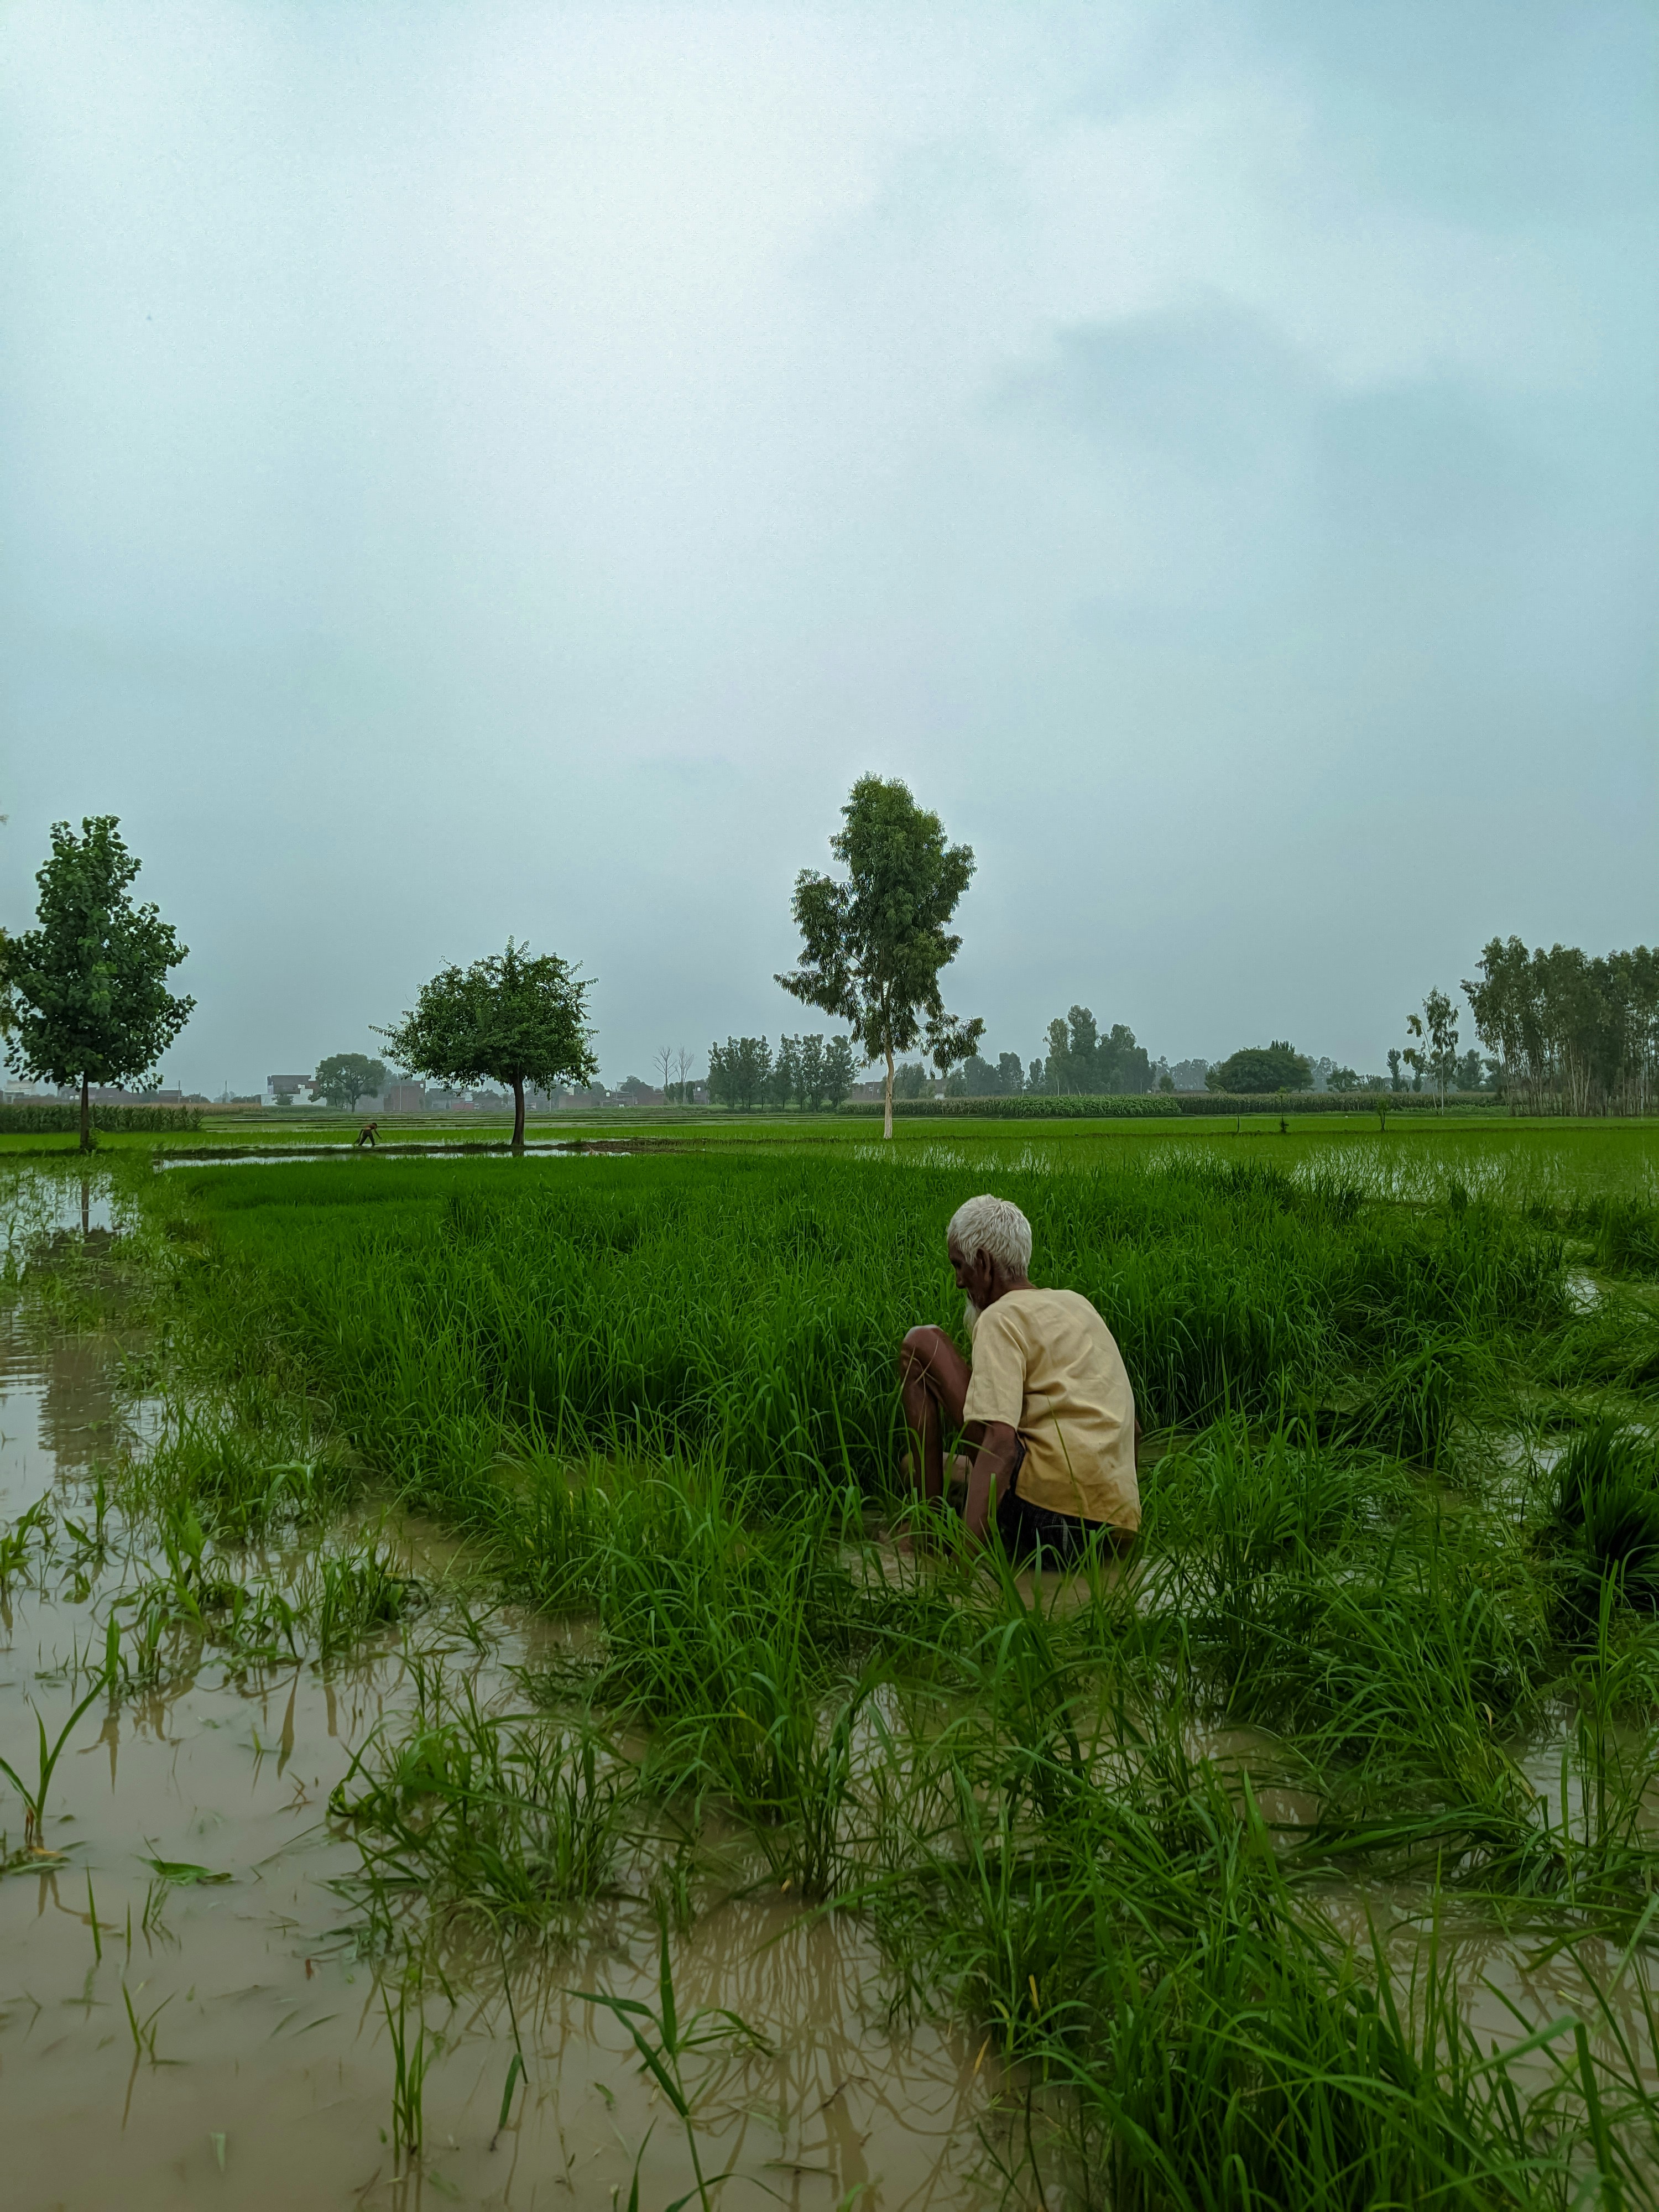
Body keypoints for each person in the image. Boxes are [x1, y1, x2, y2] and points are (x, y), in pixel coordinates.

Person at [898, 1193, 1139, 1566]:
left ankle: (925, 1533)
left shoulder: (1000, 1318)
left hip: (1050, 1524)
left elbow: (1001, 1443)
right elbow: (1133, 1431)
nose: (960, 1282)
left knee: (921, 1343)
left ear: (983, 1263)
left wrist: (961, 1565)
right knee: (912, 1463)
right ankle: (938, 1512)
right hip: (1117, 1529)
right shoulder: (1078, 1305)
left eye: (959, 1266)